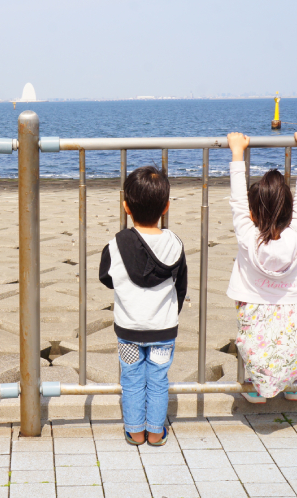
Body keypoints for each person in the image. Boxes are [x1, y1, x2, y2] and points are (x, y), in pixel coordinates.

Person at [226, 130, 297, 403]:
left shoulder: (248, 237)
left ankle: (256, 385)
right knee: (289, 340)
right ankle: (293, 384)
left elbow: (237, 201)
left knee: (256, 343)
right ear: (290, 213)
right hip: (291, 304)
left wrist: (236, 153)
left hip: (254, 305)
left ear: (253, 214)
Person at [99, 165, 187, 445]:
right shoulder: (175, 243)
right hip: (163, 329)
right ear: (166, 207)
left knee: (132, 379)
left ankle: (135, 431)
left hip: (129, 329)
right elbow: (181, 285)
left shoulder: (116, 244)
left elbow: (106, 277)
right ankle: (156, 431)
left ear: (126, 206)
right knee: (159, 379)